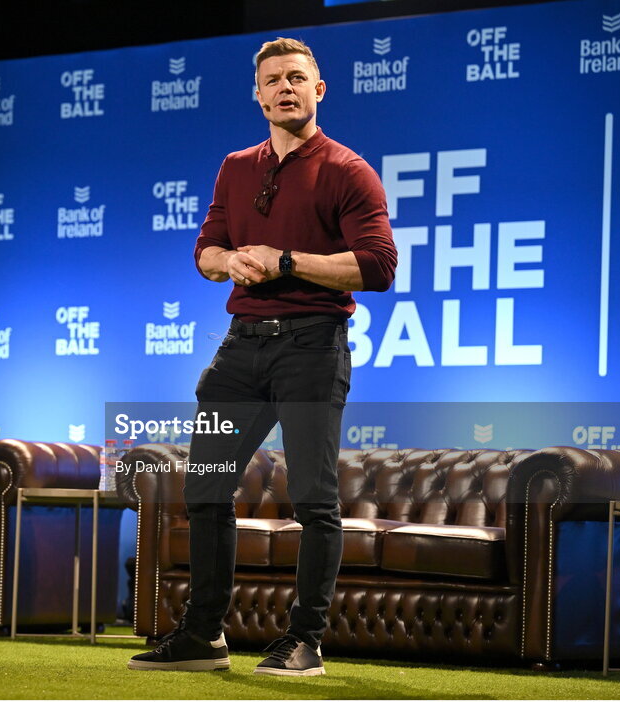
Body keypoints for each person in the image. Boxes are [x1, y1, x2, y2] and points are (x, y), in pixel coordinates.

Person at [128, 38, 396, 675]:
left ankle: (305, 640)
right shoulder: (235, 166)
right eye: (273, 80)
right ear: (258, 94)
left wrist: (284, 261)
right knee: (205, 490)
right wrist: (231, 261)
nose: (286, 88)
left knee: (313, 499)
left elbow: (379, 267)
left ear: (319, 90)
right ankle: (204, 637)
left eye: (297, 78)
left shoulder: (348, 170)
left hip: (311, 346)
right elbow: (206, 251)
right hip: (240, 352)